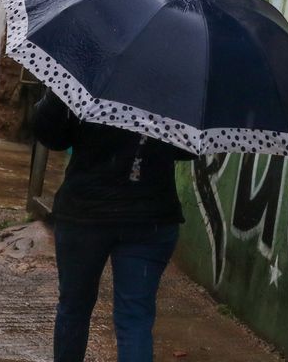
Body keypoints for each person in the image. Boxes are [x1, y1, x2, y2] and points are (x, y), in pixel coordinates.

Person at [33, 91, 196, 362]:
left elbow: (51, 136)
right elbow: (188, 149)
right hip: (150, 217)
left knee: (74, 308)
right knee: (135, 320)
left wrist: (56, 94)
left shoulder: (91, 73)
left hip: (86, 214)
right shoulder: (176, 83)